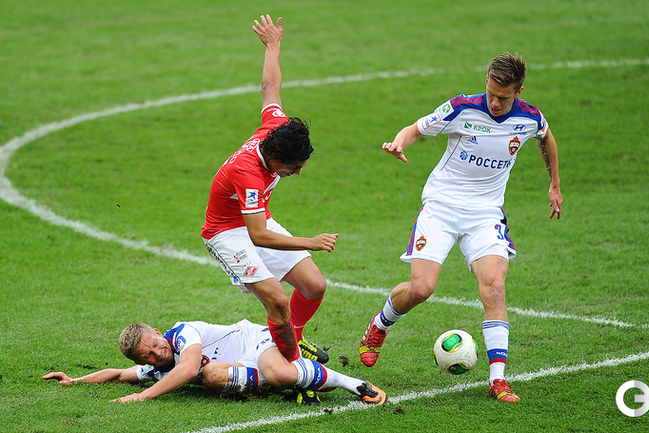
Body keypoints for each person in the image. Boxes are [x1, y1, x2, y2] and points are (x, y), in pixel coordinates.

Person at [358, 53, 562, 403]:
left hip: (485, 213)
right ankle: (380, 324)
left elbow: (546, 138)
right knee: (422, 288)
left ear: (519, 91)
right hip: (441, 207)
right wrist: (399, 143)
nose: (495, 102)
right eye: (491, 93)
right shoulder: (461, 108)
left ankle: (498, 380)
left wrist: (554, 183)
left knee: (494, 288)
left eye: (503, 97)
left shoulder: (529, 118)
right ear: (486, 82)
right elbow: (415, 129)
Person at [201, 14, 338, 369]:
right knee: (277, 300)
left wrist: (273, 45)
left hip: (255, 219)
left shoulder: (277, 126)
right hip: (226, 233)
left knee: (314, 286)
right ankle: (294, 368)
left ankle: (294, 339)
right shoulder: (248, 174)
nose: (297, 173)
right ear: (275, 160)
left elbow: (270, 88)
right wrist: (310, 242)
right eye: (294, 168)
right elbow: (258, 236)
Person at [43, 319, 387, 406]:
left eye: (155, 345)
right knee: (216, 376)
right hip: (244, 369)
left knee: (276, 373)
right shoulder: (156, 368)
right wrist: (74, 380)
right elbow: (119, 374)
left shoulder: (183, 333)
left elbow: (187, 368)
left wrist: (142, 396)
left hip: (255, 341)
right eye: (147, 356)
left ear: (159, 333)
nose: (157, 354)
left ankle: (353, 384)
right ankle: (299, 367)